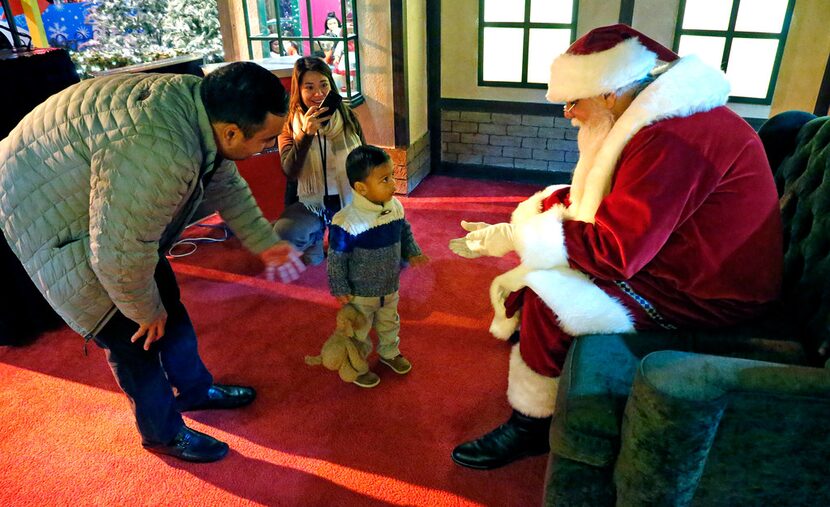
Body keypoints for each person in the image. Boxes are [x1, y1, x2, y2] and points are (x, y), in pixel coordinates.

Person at [448, 24, 783, 469]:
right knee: (553, 212)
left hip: (708, 289)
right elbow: (611, 200)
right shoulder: (661, 117)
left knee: (551, 299)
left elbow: (615, 253)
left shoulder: (673, 137)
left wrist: (520, 234)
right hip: (683, 257)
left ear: (609, 93)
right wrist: (547, 210)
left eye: (573, 100)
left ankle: (531, 425)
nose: (568, 113)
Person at [0, 62, 302, 463]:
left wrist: (265, 241)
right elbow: (116, 253)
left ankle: (194, 389)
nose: (266, 149)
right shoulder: (162, 150)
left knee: (167, 304)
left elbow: (223, 181)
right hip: (44, 210)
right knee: (132, 335)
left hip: (100, 206)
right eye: (265, 141)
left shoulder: (203, 107)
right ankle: (162, 433)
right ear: (231, 132)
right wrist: (143, 310)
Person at [327, 145, 429, 388]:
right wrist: (339, 286)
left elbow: (404, 231)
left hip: (389, 285)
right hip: (361, 292)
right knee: (359, 331)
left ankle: (389, 352)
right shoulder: (345, 221)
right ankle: (356, 364)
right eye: (385, 179)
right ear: (361, 187)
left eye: (392, 175)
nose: (393, 183)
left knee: (389, 321)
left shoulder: (395, 207)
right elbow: (336, 258)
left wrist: (412, 251)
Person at [273, 56, 364, 265]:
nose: (318, 94)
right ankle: (314, 237)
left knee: (358, 253)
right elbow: (290, 170)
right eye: (309, 87)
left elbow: (364, 158)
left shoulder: (347, 116)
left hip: (346, 198)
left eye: (323, 85)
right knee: (284, 233)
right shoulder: (289, 123)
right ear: (299, 90)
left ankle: (338, 233)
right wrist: (306, 134)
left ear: (331, 86)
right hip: (310, 202)